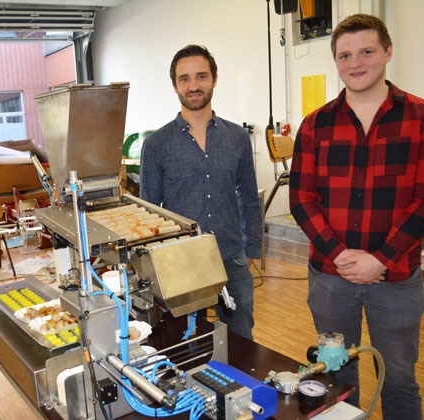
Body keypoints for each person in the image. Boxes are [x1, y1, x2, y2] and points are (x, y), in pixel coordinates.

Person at [289, 14, 424, 420]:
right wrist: (342, 256)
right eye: (345, 54)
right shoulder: (315, 124)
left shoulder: (419, 117)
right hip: (332, 278)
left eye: (366, 51)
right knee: (337, 377)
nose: (356, 62)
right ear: (336, 61)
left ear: (387, 52)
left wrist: (381, 257)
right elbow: (301, 198)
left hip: (397, 279)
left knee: (399, 376)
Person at [140, 45, 262, 340]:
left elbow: (248, 195)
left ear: (214, 79)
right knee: (181, 339)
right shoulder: (157, 144)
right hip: (179, 262)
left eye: (201, 76)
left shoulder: (237, 138)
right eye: (185, 79)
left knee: (241, 337)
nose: (193, 85)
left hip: (231, 257)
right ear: (175, 86)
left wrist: (252, 248)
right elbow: (147, 210)